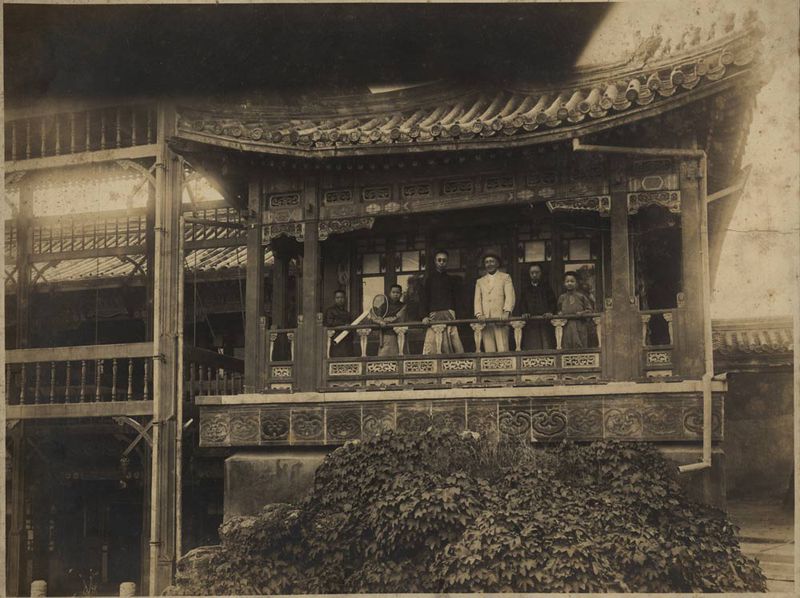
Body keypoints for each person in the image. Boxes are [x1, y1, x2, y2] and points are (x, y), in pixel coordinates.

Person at [420, 250, 465, 354]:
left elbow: (457, 299)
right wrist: (423, 316)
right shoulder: (429, 280)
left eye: (444, 260)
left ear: (447, 262)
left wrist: (457, 314)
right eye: (439, 260)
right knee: (433, 346)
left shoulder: (452, 280)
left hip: (449, 315)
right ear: (435, 261)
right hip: (434, 317)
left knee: (450, 345)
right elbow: (424, 299)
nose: (441, 262)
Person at [473, 253, 515, 352]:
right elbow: (477, 300)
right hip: (486, 321)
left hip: (500, 319)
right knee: (489, 351)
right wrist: (479, 314)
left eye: (492, 261)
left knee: (503, 349)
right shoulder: (480, 281)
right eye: (486, 262)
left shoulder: (505, 277)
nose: (489, 264)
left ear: (497, 264)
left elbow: (510, 296)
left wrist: (507, 311)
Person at [517, 264, 557, 350]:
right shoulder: (526, 289)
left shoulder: (547, 288)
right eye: (532, 273)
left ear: (541, 273)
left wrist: (550, 312)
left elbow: (553, 302)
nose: (534, 275)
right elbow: (522, 303)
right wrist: (524, 312)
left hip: (544, 322)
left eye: (537, 272)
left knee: (546, 344)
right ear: (529, 274)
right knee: (532, 345)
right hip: (531, 323)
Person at [557, 271, 594, 349]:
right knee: (567, 347)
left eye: (572, 281)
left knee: (580, 346)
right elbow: (558, 311)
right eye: (567, 281)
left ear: (576, 283)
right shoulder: (562, 298)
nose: (569, 283)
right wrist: (560, 314)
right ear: (564, 284)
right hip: (567, 326)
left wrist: (582, 313)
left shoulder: (581, 296)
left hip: (580, 325)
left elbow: (590, 310)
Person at [370, 284, 407, 356]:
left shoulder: (403, 306)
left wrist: (385, 321)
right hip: (386, 335)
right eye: (393, 292)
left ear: (401, 294)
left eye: (398, 293)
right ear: (389, 294)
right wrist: (380, 321)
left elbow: (399, 318)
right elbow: (374, 316)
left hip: (399, 335)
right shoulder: (384, 305)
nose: (395, 294)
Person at [323, 289, 355, 357]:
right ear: (334, 299)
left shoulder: (347, 313)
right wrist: (343, 325)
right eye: (337, 298)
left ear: (345, 299)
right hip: (336, 339)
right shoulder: (330, 311)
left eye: (342, 297)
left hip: (346, 340)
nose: (340, 299)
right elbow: (329, 322)